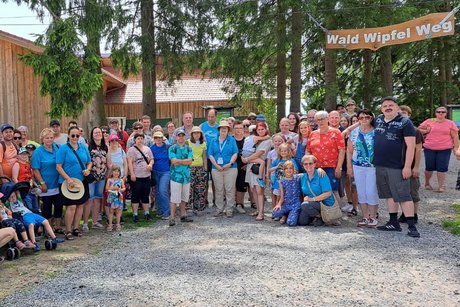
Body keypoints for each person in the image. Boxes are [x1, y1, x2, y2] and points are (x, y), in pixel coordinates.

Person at [374, 96, 419, 238]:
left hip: (397, 166)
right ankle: (393, 222)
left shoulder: (405, 122)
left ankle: (412, 226)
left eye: (391, 105)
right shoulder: (378, 120)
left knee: (404, 196)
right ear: (381, 109)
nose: (388, 107)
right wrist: (348, 130)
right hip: (380, 164)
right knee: (388, 194)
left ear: (397, 107)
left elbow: (411, 147)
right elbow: (362, 121)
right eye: (385, 105)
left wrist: (407, 167)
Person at [56, 126, 91, 240]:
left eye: (77, 135)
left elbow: (89, 162)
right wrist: (67, 178)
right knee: (71, 206)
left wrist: (88, 170)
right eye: (73, 135)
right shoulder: (63, 148)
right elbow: (58, 166)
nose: (75, 137)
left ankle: (76, 228)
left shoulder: (83, 147)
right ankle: (68, 230)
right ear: (68, 136)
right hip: (68, 182)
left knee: (80, 205)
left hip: (81, 181)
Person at [346, 109, 379, 227]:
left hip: (372, 166)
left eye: (367, 117)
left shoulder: (377, 131)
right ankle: (365, 217)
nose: (364, 120)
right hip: (357, 166)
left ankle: (373, 217)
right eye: (361, 118)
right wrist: (349, 166)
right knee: (361, 192)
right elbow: (349, 151)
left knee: (371, 191)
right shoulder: (354, 132)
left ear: (371, 118)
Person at [307, 111, 346, 207]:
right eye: (318, 120)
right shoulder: (313, 134)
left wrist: (339, 167)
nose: (320, 121)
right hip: (315, 168)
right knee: (318, 191)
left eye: (322, 119)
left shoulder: (336, 132)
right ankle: (322, 214)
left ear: (327, 119)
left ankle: (337, 215)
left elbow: (341, 150)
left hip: (331, 167)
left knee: (333, 190)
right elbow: (308, 150)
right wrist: (307, 164)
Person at [418, 106, 459, 192]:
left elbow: (455, 137)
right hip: (429, 147)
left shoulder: (450, 123)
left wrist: (456, 148)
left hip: (445, 148)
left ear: (446, 114)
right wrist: (426, 131)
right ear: (435, 113)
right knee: (429, 167)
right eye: (438, 111)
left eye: (443, 112)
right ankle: (427, 183)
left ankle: (441, 186)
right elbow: (419, 129)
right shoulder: (430, 121)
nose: (440, 113)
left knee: (442, 168)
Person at [32, 128, 63, 233]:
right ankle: (49, 230)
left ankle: (58, 227)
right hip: (46, 185)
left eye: (51, 138)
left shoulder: (57, 148)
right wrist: (42, 183)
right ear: (42, 139)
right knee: (47, 208)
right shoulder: (38, 152)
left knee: (59, 206)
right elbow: (35, 169)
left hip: (58, 183)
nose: (49, 140)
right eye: (47, 138)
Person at [398, 105, 423, 224]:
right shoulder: (396, 129)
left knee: (413, 191)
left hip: (411, 165)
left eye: (404, 113)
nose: (401, 115)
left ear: (409, 115)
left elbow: (418, 150)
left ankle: (414, 214)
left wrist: (416, 167)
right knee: (402, 191)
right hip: (398, 166)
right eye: (400, 113)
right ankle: (404, 213)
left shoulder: (415, 130)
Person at [208, 120, 238, 218]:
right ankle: (219, 208)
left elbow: (235, 153)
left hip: (230, 168)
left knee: (229, 189)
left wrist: (230, 163)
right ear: (219, 129)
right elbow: (210, 154)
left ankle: (229, 209)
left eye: (225, 128)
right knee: (218, 189)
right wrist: (216, 165)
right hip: (216, 168)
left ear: (228, 130)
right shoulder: (214, 140)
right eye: (222, 128)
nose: (223, 130)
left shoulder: (231, 140)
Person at [243, 122, 272, 221]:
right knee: (252, 189)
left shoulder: (268, 141)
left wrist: (246, 160)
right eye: (258, 130)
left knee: (259, 190)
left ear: (266, 129)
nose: (260, 131)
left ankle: (261, 213)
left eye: (262, 129)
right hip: (251, 165)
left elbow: (259, 153)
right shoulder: (256, 140)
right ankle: (258, 209)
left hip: (258, 166)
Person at [298, 155, 335, 226]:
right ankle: (317, 216)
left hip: (325, 203)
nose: (308, 165)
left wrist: (312, 199)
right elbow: (289, 174)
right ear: (303, 165)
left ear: (315, 164)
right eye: (305, 164)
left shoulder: (321, 174)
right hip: (312, 204)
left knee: (304, 205)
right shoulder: (303, 177)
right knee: (302, 222)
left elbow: (328, 193)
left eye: (310, 163)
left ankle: (322, 217)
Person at [82, 127, 108, 232]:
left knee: (98, 198)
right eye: (95, 132)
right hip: (91, 176)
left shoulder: (105, 147)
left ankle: (95, 221)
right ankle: (85, 223)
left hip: (101, 177)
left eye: (99, 132)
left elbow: (108, 161)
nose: (97, 134)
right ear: (92, 135)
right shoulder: (87, 147)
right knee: (89, 199)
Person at [168, 128, 194, 226]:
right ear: (176, 137)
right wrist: (184, 161)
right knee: (174, 198)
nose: (181, 137)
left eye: (183, 135)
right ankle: (172, 217)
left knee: (184, 197)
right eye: (179, 135)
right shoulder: (172, 148)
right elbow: (173, 161)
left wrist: (179, 162)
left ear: (185, 137)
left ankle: (183, 215)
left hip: (186, 176)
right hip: (176, 176)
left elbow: (190, 161)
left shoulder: (189, 148)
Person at [127, 133, 154, 222]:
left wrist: (150, 164)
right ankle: (135, 214)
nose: (140, 140)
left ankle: (147, 212)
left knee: (145, 194)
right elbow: (129, 162)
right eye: (138, 138)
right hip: (136, 175)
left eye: (142, 138)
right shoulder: (131, 150)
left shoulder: (147, 149)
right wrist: (132, 174)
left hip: (146, 175)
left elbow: (151, 159)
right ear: (135, 140)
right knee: (136, 194)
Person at [268, 143, 298, 210]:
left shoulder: (291, 161)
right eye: (282, 151)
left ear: (288, 151)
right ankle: (277, 211)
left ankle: (284, 213)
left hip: (288, 183)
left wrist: (289, 169)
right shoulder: (277, 161)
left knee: (285, 197)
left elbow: (296, 171)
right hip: (278, 183)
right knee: (278, 197)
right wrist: (277, 167)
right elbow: (269, 170)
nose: (283, 152)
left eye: (285, 151)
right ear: (279, 152)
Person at [272, 161, 301, 226]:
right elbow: (282, 196)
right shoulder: (282, 181)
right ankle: (285, 214)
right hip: (286, 203)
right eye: (286, 168)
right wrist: (279, 204)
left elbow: (306, 174)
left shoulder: (297, 178)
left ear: (293, 169)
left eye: (290, 168)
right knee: (275, 213)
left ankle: (291, 214)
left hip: (295, 204)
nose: (288, 170)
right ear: (284, 170)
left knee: (291, 223)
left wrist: (320, 170)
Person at [150, 131, 170, 220]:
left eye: (160, 138)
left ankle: (167, 211)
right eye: (156, 138)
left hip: (166, 172)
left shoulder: (167, 147)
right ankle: (160, 210)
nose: (158, 139)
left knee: (163, 190)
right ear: (154, 139)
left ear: (163, 138)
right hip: (155, 172)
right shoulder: (151, 148)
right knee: (157, 192)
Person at [12, 147, 39, 212]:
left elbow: (31, 177)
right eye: (22, 154)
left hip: (30, 190)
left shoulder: (28, 164)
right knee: (28, 208)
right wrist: (19, 190)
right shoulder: (17, 164)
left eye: (25, 154)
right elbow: (14, 178)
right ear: (18, 156)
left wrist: (35, 185)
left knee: (35, 208)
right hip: (23, 191)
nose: (24, 156)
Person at [187, 126, 207, 215]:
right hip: (190, 167)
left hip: (200, 168)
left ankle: (199, 208)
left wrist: (205, 168)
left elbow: (204, 157)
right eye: (194, 133)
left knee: (200, 188)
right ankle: (187, 208)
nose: (196, 134)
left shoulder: (203, 144)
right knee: (189, 189)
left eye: (198, 133)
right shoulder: (188, 143)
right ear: (192, 134)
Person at [105, 165, 125, 232]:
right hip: (111, 197)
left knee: (118, 211)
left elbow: (124, 188)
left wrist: (121, 190)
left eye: (118, 171)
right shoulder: (109, 180)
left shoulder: (121, 180)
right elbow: (106, 188)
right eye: (115, 171)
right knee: (111, 211)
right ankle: (110, 224)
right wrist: (113, 188)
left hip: (118, 197)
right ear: (111, 172)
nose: (116, 173)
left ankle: (118, 224)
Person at [233, 121, 247, 214]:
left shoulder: (247, 140)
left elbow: (252, 153)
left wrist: (247, 164)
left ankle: (239, 204)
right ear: (233, 129)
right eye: (236, 128)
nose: (238, 130)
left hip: (243, 167)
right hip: (232, 166)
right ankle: (230, 204)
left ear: (243, 129)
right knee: (230, 186)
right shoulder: (230, 140)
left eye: (240, 128)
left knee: (241, 186)